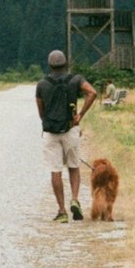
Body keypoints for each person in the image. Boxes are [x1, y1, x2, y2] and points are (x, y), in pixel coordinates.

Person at [35, 49, 96, 222]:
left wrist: (49, 121)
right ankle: (75, 199)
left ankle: (62, 211)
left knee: (55, 171)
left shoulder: (41, 84)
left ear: (49, 65)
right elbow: (92, 92)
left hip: (51, 133)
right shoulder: (75, 80)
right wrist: (80, 115)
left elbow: (41, 111)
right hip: (70, 129)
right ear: (66, 63)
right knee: (74, 167)